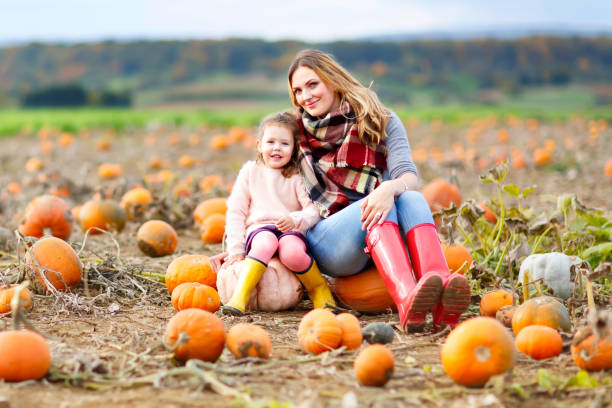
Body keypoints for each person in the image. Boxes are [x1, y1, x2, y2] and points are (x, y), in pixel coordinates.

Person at [287, 49, 471, 331]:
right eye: (298, 90)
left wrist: (388, 188)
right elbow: (259, 182)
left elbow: (408, 176)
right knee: (375, 204)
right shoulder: (294, 132)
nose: (305, 96)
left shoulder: (380, 119)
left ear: (333, 80)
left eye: (313, 84)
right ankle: (407, 300)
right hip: (328, 239)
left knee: (409, 194)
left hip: (383, 235)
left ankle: (439, 289)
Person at [217, 111, 336, 315]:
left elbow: (313, 210)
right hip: (260, 229)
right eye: (270, 142)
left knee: (292, 252)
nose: (276, 148)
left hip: (290, 229)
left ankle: (319, 290)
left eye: (284, 143)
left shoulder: (298, 175)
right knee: (265, 243)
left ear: (294, 148)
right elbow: (236, 211)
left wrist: (295, 219)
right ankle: (240, 296)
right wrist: (236, 249)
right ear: (259, 145)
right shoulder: (250, 171)